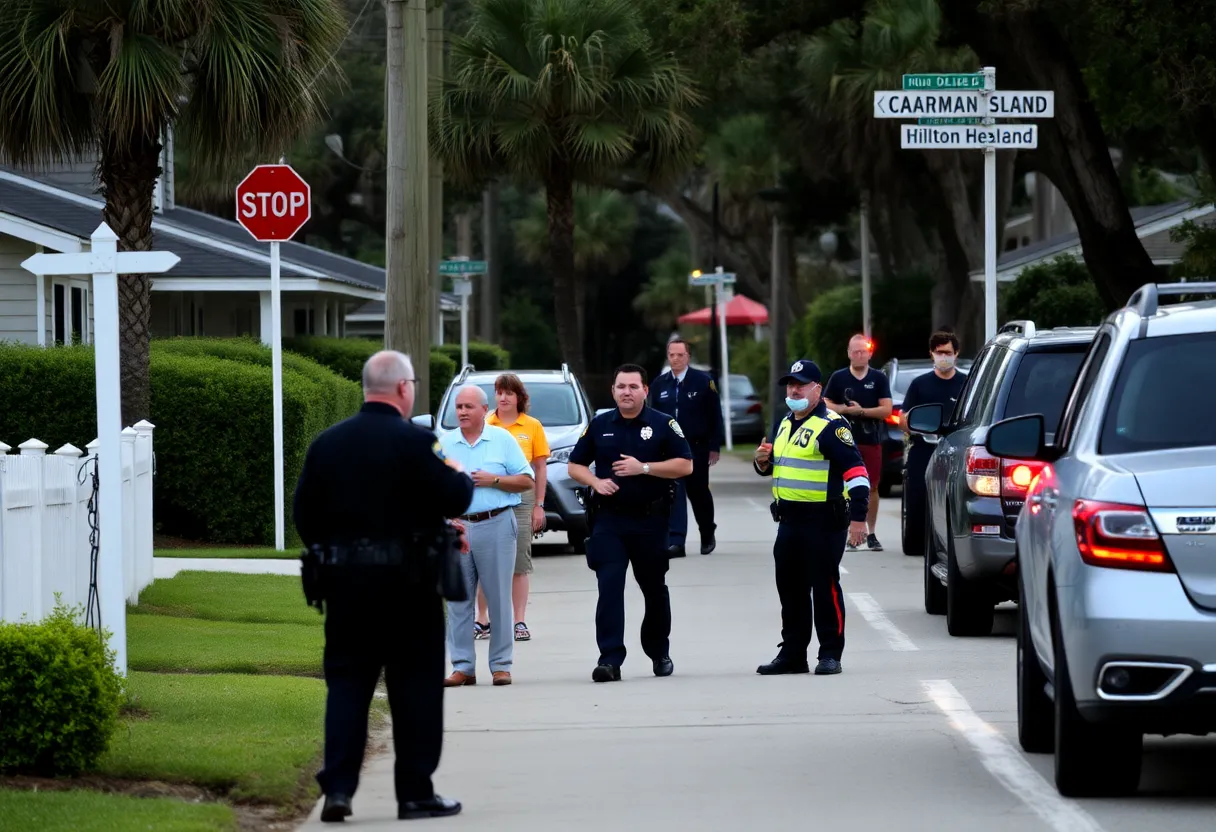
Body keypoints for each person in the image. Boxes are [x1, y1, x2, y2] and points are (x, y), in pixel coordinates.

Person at [293, 350, 473, 823]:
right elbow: (457, 495)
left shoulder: (327, 444)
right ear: (403, 388)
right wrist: (455, 471)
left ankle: (338, 791)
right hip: (410, 589)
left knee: (348, 686)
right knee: (415, 690)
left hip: (347, 589)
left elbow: (304, 518)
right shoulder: (418, 442)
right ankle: (414, 794)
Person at [567, 363, 694, 682]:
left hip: (650, 521)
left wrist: (645, 468)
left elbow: (685, 466)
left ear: (645, 391)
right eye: (621, 386)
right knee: (609, 587)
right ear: (613, 391)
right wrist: (595, 482)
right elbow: (575, 465)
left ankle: (658, 651)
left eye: (633, 387)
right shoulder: (599, 424)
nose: (626, 392)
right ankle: (609, 659)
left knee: (654, 589)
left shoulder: (663, 424)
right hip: (609, 520)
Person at [753, 359, 870, 677]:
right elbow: (777, 466)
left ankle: (830, 653)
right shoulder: (785, 423)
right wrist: (763, 463)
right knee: (789, 589)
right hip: (789, 520)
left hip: (823, 520)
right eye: (790, 385)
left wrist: (859, 519)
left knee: (824, 585)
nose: (793, 390)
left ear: (817, 389)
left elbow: (857, 473)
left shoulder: (831, 425)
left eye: (800, 385)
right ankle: (792, 654)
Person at [439, 384, 535, 687]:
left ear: (484, 410)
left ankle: (501, 666)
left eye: (469, 407)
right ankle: (463, 666)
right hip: (457, 528)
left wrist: (494, 480)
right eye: (459, 407)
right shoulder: (445, 444)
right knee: (458, 599)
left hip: (495, 524)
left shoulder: (502, 440)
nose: (463, 412)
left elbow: (526, 480)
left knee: (497, 598)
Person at [474, 373, 550, 641]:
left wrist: (539, 505)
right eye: (499, 392)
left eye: (509, 393)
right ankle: (482, 620)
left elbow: (540, 469)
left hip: (522, 498)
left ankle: (519, 622)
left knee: (519, 561)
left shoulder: (532, 426)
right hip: (490, 496)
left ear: (519, 397)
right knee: (485, 561)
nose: (503, 398)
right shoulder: (484, 424)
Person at [647, 336, 723, 556]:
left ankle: (707, 531)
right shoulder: (660, 384)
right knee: (675, 493)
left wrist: (714, 445)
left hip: (697, 447)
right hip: (670, 450)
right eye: (672, 355)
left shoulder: (703, 381)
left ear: (688, 356)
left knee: (698, 493)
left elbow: (714, 415)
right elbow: (653, 416)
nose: (676, 359)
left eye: (680, 355)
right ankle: (676, 541)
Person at [900, 331, 968, 556]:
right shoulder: (920, 384)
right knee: (918, 495)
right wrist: (915, 426)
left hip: (957, 449)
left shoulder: (966, 383)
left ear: (956, 353)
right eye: (939, 352)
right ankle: (917, 542)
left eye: (948, 352)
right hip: (924, 447)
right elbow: (903, 417)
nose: (944, 357)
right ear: (932, 354)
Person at [823, 334, 892, 551]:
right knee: (844, 488)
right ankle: (847, 531)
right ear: (848, 353)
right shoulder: (838, 378)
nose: (859, 355)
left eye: (863, 351)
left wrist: (861, 411)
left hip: (871, 440)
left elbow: (886, 410)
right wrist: (844, 410)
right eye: (855, 351)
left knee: (871, 487)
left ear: (870, 353)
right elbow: (825, 403)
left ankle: (870, 533)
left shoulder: (879, 379)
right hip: (843, 441)